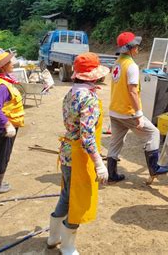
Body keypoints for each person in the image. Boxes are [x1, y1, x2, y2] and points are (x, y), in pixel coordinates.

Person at [47, 53, 110, 255]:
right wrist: (99, 163)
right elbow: (87, 136)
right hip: (80, 156)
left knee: (66, 195)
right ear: (93, 76)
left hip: (67, 151)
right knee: (79, 200)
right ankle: (67, 246)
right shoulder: (89, 98)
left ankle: (53, 237)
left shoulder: (71, 92)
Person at [106, 32, 168, 183]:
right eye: (135, 46)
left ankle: (112, 174)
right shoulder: (132, 66)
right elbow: (133, 91)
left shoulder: (117, 63)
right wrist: (139, 114)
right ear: (129, 48)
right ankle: (154, 167)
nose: (138, 48)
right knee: (153, 133)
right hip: (127, 112)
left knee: (115, 141)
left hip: (115, 110)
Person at [0, 48, 24, 195]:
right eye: (8, 62)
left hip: (1, 124)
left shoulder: (0, 80)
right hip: (4, 125)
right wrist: (7, 125)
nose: (12, 63)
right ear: (2, 67)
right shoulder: (2, 85)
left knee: (0, 152)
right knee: (3, 155)